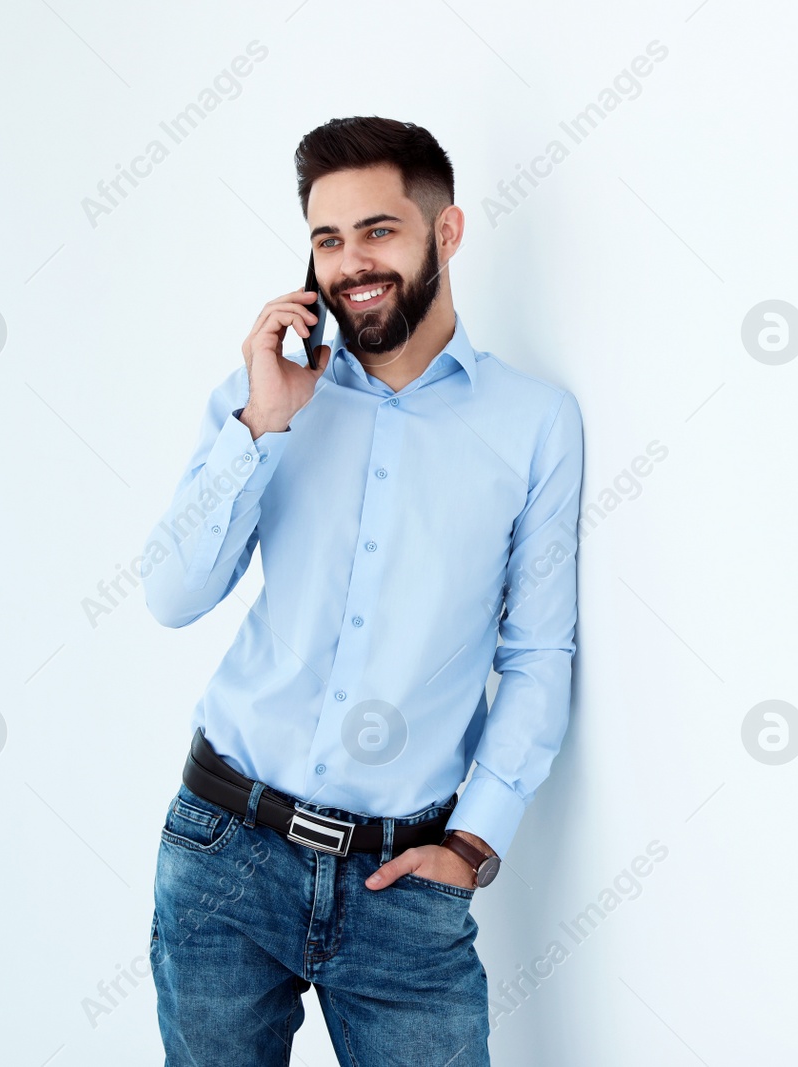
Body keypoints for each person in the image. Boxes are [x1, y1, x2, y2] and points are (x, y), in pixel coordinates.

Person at [140, 115, 583, 1066]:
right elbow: (173, 593)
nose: (350, 264)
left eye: (378, 230)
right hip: (224, 847)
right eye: (327, 239)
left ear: (446, 232)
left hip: (403, 884)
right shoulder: (264, 395)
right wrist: (261, 423)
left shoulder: (533, 422)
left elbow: (539, 652)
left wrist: (473, 841)